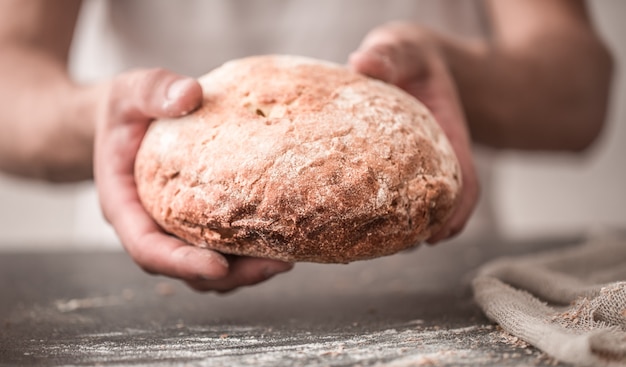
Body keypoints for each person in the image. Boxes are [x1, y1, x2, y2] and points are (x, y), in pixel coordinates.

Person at [0, 0, 613, 292]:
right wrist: (105, 120)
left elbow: (579, 93)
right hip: (136, 303)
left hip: (435, 293)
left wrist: (450, 69)